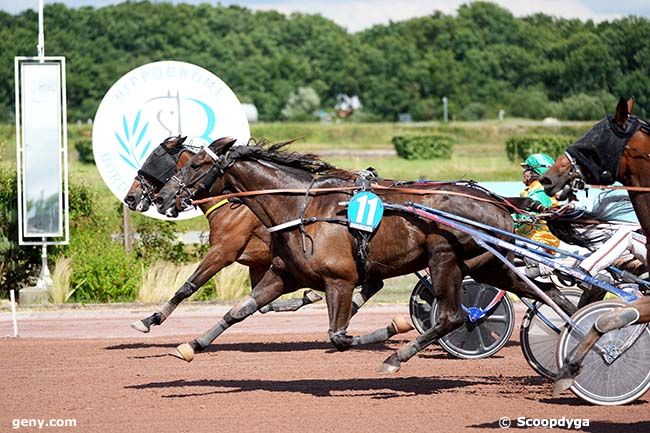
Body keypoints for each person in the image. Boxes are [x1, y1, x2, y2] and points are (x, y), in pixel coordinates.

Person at [514, 153, 561, 248]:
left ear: (536, 171)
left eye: (527, 169)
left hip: (539, 241)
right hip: (528, 237)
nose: (524, 173)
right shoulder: (534, 189)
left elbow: (526, 216)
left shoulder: (539, 190)